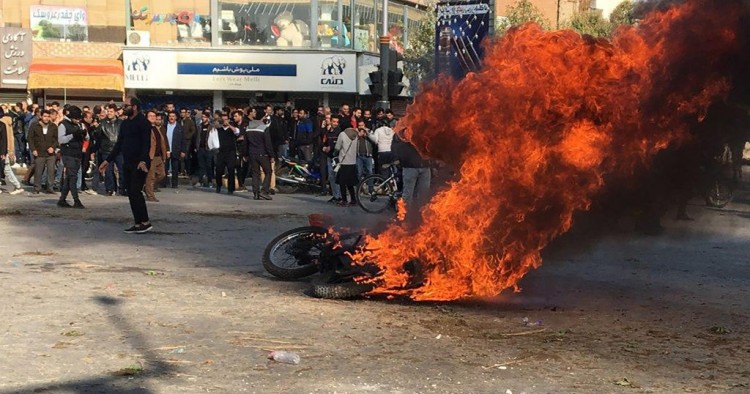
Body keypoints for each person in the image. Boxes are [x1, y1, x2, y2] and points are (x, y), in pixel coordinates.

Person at [99, 97, 153, 234]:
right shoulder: (125, 124)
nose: (123, 108)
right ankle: (138, 222)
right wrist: (107, 160)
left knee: (136, 191)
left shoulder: (143, 123)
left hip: (140, 163)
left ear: (134, 107)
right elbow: (119, 144)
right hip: (127, 161)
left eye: (126, 105)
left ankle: (145, 222)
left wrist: (143, 160)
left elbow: (146, 144)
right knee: (130, 192)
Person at [57, 106, 86, 209]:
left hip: (77, 153)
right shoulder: (63, 125)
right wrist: (73, 136)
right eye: (76, 118)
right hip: (68, 154)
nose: (78, 120)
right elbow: (61, 140)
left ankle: (62, 199)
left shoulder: (79, 125)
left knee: (69, 177)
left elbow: (86, 137)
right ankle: (76, 200)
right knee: (73, 177)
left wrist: (84, 134)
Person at [27, 109, 58, 194]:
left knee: (51, 171)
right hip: (39, 152)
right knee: (38, 171)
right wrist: (33, 149)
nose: (46, 118)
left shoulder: (53, 126)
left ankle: (50, 188)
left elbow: (56, 139)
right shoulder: (34, 125)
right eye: (45, 116)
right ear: (41, 116)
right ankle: (37, 188)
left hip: (50, 153)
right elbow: (30, 138)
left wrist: (53, 147)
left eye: (48, 116)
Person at [246, 119, 274, 200]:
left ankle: (256, 193)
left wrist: (245, 154)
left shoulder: (248, 128)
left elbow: (246, 143)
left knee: (255, 173)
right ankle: (264, 191)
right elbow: (268, 143)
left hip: (252, 153)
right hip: (262, 153)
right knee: (268, 172)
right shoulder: (264, 128)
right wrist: (271, 155)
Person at [145, 110, 167, 202]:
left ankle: (147, 187)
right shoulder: (145, 128)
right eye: (150, 116)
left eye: (154, 116)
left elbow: (162, 142)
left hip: (159, 156)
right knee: (151, 177)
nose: (153, 117)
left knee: (162, 174)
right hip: (151, 156)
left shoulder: (157, 128)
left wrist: (164, 155)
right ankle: (150, 196)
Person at [215, 112, 240, 194]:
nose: (224, 121)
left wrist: (229, 125)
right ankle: (218, 185)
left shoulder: (232, 129)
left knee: (231, 170)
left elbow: (237, 132)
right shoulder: (218, 130)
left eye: (226, 119)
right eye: (223, 120)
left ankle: (231, 188)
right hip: (221, 152)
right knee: (219, 170)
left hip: (230, 152)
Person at [334, 126, 359, 206]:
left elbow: (337, 147)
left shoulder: (342, 134)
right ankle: (353, 199)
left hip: (344, 162)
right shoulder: (355, 135)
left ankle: (344, 200)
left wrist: (335, 154)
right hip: (352, 162)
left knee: (342, 183)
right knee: (350, 183)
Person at [164, 111, 185, 188]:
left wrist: (183, 150)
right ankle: (164, 183)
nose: (171, 118)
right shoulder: (165, 126)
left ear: (176, 117)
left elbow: (183, 140)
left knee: (175, 168)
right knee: (165, 168)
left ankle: (174, 184)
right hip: (166, 150)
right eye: (170, 116)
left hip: (176, 150)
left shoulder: (179, 127)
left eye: (173, 116)